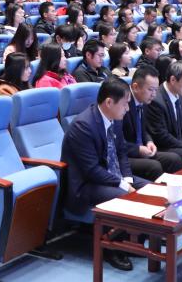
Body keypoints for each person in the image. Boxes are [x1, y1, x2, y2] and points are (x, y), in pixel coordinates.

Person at [61, 77, 149, 272]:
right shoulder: (83, 126)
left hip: (110, 176)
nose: (128, 109)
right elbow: (91, 170)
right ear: (109, 102)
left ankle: (134, 239)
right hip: (86, 185)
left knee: (149, 189)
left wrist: (127, 178)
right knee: (123, 196)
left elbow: (121, 152)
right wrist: (123, 184)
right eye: (125, 104)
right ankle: (112, 248)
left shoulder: (114, 118)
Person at [121, 65, 182, 181]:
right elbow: (116, 140)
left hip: (142, 149)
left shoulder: (144, 100)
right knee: (154, 166)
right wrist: (138, 149)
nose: (154, 94)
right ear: (135, 87)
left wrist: (149, 141)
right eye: (150, 90)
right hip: (125, 155)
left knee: (174, 159)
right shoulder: (122, 103)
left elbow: (143, 129)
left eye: (156, 90)